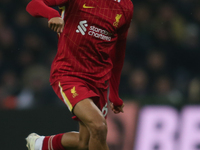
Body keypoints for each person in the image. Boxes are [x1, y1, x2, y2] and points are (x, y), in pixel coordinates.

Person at [25, 0, 133, 149]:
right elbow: (33, 5)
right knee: (99, 126)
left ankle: (40, 144)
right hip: (69, 73)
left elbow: (118, 53)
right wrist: (52, 14)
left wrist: (114, 93)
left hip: (99, 82)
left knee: (86, 142)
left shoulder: (126, 6)